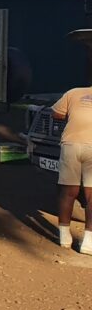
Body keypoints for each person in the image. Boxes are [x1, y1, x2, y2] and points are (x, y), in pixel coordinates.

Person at [52, 84, 92, 253]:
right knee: (91, 195)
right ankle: (88, 242)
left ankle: (64, 236)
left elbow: (56, 113)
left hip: (71, 144)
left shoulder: (73, 92)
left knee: (68, 192)